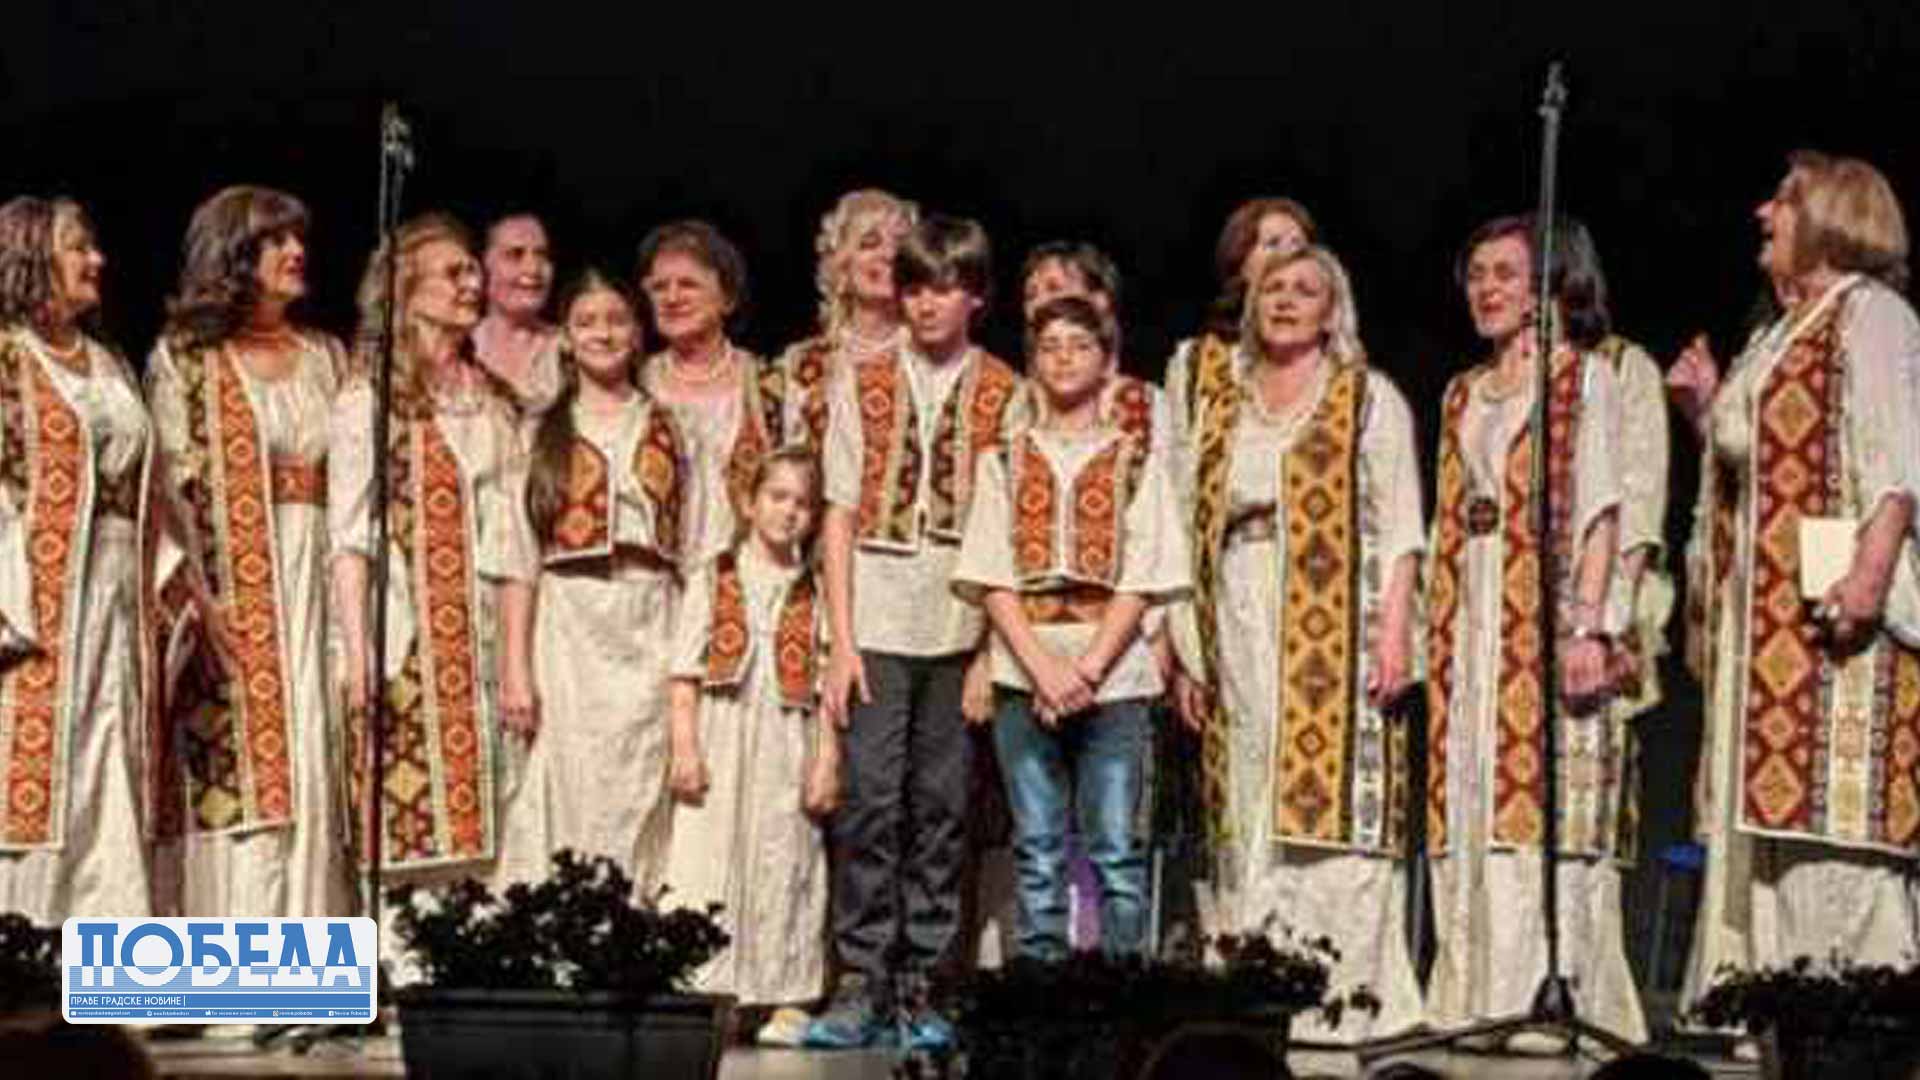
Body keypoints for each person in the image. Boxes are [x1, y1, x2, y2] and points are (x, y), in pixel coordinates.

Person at [1670, 152, 1920, 1009]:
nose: (1762, 212)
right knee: (1773, 835)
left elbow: (1897, 462)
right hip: (1769, 629)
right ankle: (1782, 1020)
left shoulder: (1873, 313)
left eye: (1782, 198)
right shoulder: (1780, 332)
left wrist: (1870, 576)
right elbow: (1764, 463)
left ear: (1833, 217)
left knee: (1833, 834)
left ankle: (1857, 1020)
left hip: (1839, 618)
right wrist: (1707, 412)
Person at [1166, 246, 1426, 1043]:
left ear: (1331, 309)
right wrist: (1187, 649)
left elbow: (1403, 524)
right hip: (1236, 604)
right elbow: (1182, 522)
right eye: (1272, 288)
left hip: (1336, 619)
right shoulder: (1223, 402)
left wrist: (1394, 633)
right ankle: (1254, 986)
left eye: (1304, 290)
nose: (1284, 300)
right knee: (1249, 791)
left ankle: (1339, 995)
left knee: (1329, 802)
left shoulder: (1367, 396)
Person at [1423, 214, 1643, 1048]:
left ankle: (1541, 992)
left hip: (1542, 607)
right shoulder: (1460, 392)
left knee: (1542, 800)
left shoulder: (1584, 378)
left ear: (1546, 287)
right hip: (1469, 607)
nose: (1487, 289)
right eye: (1477, 274)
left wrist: (1588, 625)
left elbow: (1600, 509)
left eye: (1505, 274)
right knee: (1471, 789)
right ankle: (1471, 995)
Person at [809, 215, 1027, 1050]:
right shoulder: (861, 381)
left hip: (958, 622)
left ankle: (927, 979)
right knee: (869, 801)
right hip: (877, 614)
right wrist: (842, 640)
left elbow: (1008, 530)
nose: (928, 304)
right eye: (916, 288)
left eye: (945, 288)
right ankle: (861, 976)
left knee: (941, 808)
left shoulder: (1004, 389)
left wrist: (987, 651)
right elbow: (838, 513)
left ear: (975, 297)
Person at [328, 213, 537, 975]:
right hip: (403, 629)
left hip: (477, 630)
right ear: (405, 289)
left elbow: (514, 542)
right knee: (400, 802)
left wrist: (515, 662)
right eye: (453, 273)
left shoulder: (495, 400)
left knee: (490, 802)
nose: (471, 283)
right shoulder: (370, 398)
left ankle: (468, 973)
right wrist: (358, 652)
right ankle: (397, 971)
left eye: (471, 270)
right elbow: (349, 535)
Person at [953, 295, 1189, 960]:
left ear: (1107, 362)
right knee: (1037, 847)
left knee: (1115, 848)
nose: (1063, 358)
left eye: (1080, 346)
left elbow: (1143, 575)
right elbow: (992, 575)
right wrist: (1042, 669)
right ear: (1033, 363)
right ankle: (1043, 989)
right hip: (1025, 669)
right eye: (1050, 346)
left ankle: (1120, 990)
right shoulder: (1004, 461)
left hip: (1112, 674)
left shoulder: (1136, 462)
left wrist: (1086, 670)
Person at [145, 184, 352, 920]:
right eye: (275, 241)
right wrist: (198, 606)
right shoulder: (185, 360)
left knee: (316, 762)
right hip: (232, 591)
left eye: (297, 238)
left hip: (318, 581)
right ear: (235, 254)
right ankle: (234, 966)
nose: (296, 252)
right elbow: (165, 495)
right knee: (238, 782)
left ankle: (312, 962)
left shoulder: (327, 355)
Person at [492, 269, 699, 896]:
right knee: (569, 784)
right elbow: (516, 559)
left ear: (637, 333)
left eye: (616, 320)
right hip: (570, 626)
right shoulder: (538, 433)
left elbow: (698, 552)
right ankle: (562, 927)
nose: (602, 334)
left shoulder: (673, 427)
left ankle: (630, 925)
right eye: (586, 322)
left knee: (639, 784)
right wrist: (515, 668)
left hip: (649, 615)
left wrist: (689, 669)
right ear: (566, 336)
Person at [0, 196, 166, 922]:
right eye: (77, 247)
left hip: (118, 591)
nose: (96, 260)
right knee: (44, 772)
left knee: (110, 763)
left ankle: (107, 963)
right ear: (32, 255)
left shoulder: (109, 363)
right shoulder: (7, 357)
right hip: (35, 601)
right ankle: (27, 950)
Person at [663, 446, 838, 1042]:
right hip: (721, 731)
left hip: (788, 737)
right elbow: (684, 672)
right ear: (749, 502)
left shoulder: (818, 587)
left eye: (803, 503)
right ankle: (706, 986)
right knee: (710, 855)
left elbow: (828, 687)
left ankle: (784, 993)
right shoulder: (714, 575)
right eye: (777, 497)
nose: (789, 512)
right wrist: (685, 746)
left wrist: (826, 759)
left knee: (786, 858)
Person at [637, 220, 785, 561]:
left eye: (688, 284)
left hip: (744, 573)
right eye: (659, 287)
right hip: (654, 579)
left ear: (727, 298)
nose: (672, 297)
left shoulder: (769, 386)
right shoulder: (635, 384)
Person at [1162, 198, 1318, 454]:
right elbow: (1177, 458)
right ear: (1241, 262)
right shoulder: (1194, 365)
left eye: (1298, 244)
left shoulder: (1336, 363)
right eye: (1273, 243)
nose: (1289, 254)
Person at [773, 190, 918, 451]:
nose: (889, 254)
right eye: (869, 243)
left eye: (901, 245)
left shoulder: (932, 359)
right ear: (841, 265)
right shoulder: (802, 365)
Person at [471, 213, 563, 418]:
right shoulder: (461, 350)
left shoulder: (569, 351)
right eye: (515, 254)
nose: (533, 269)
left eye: (542, 255)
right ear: (483, 266)